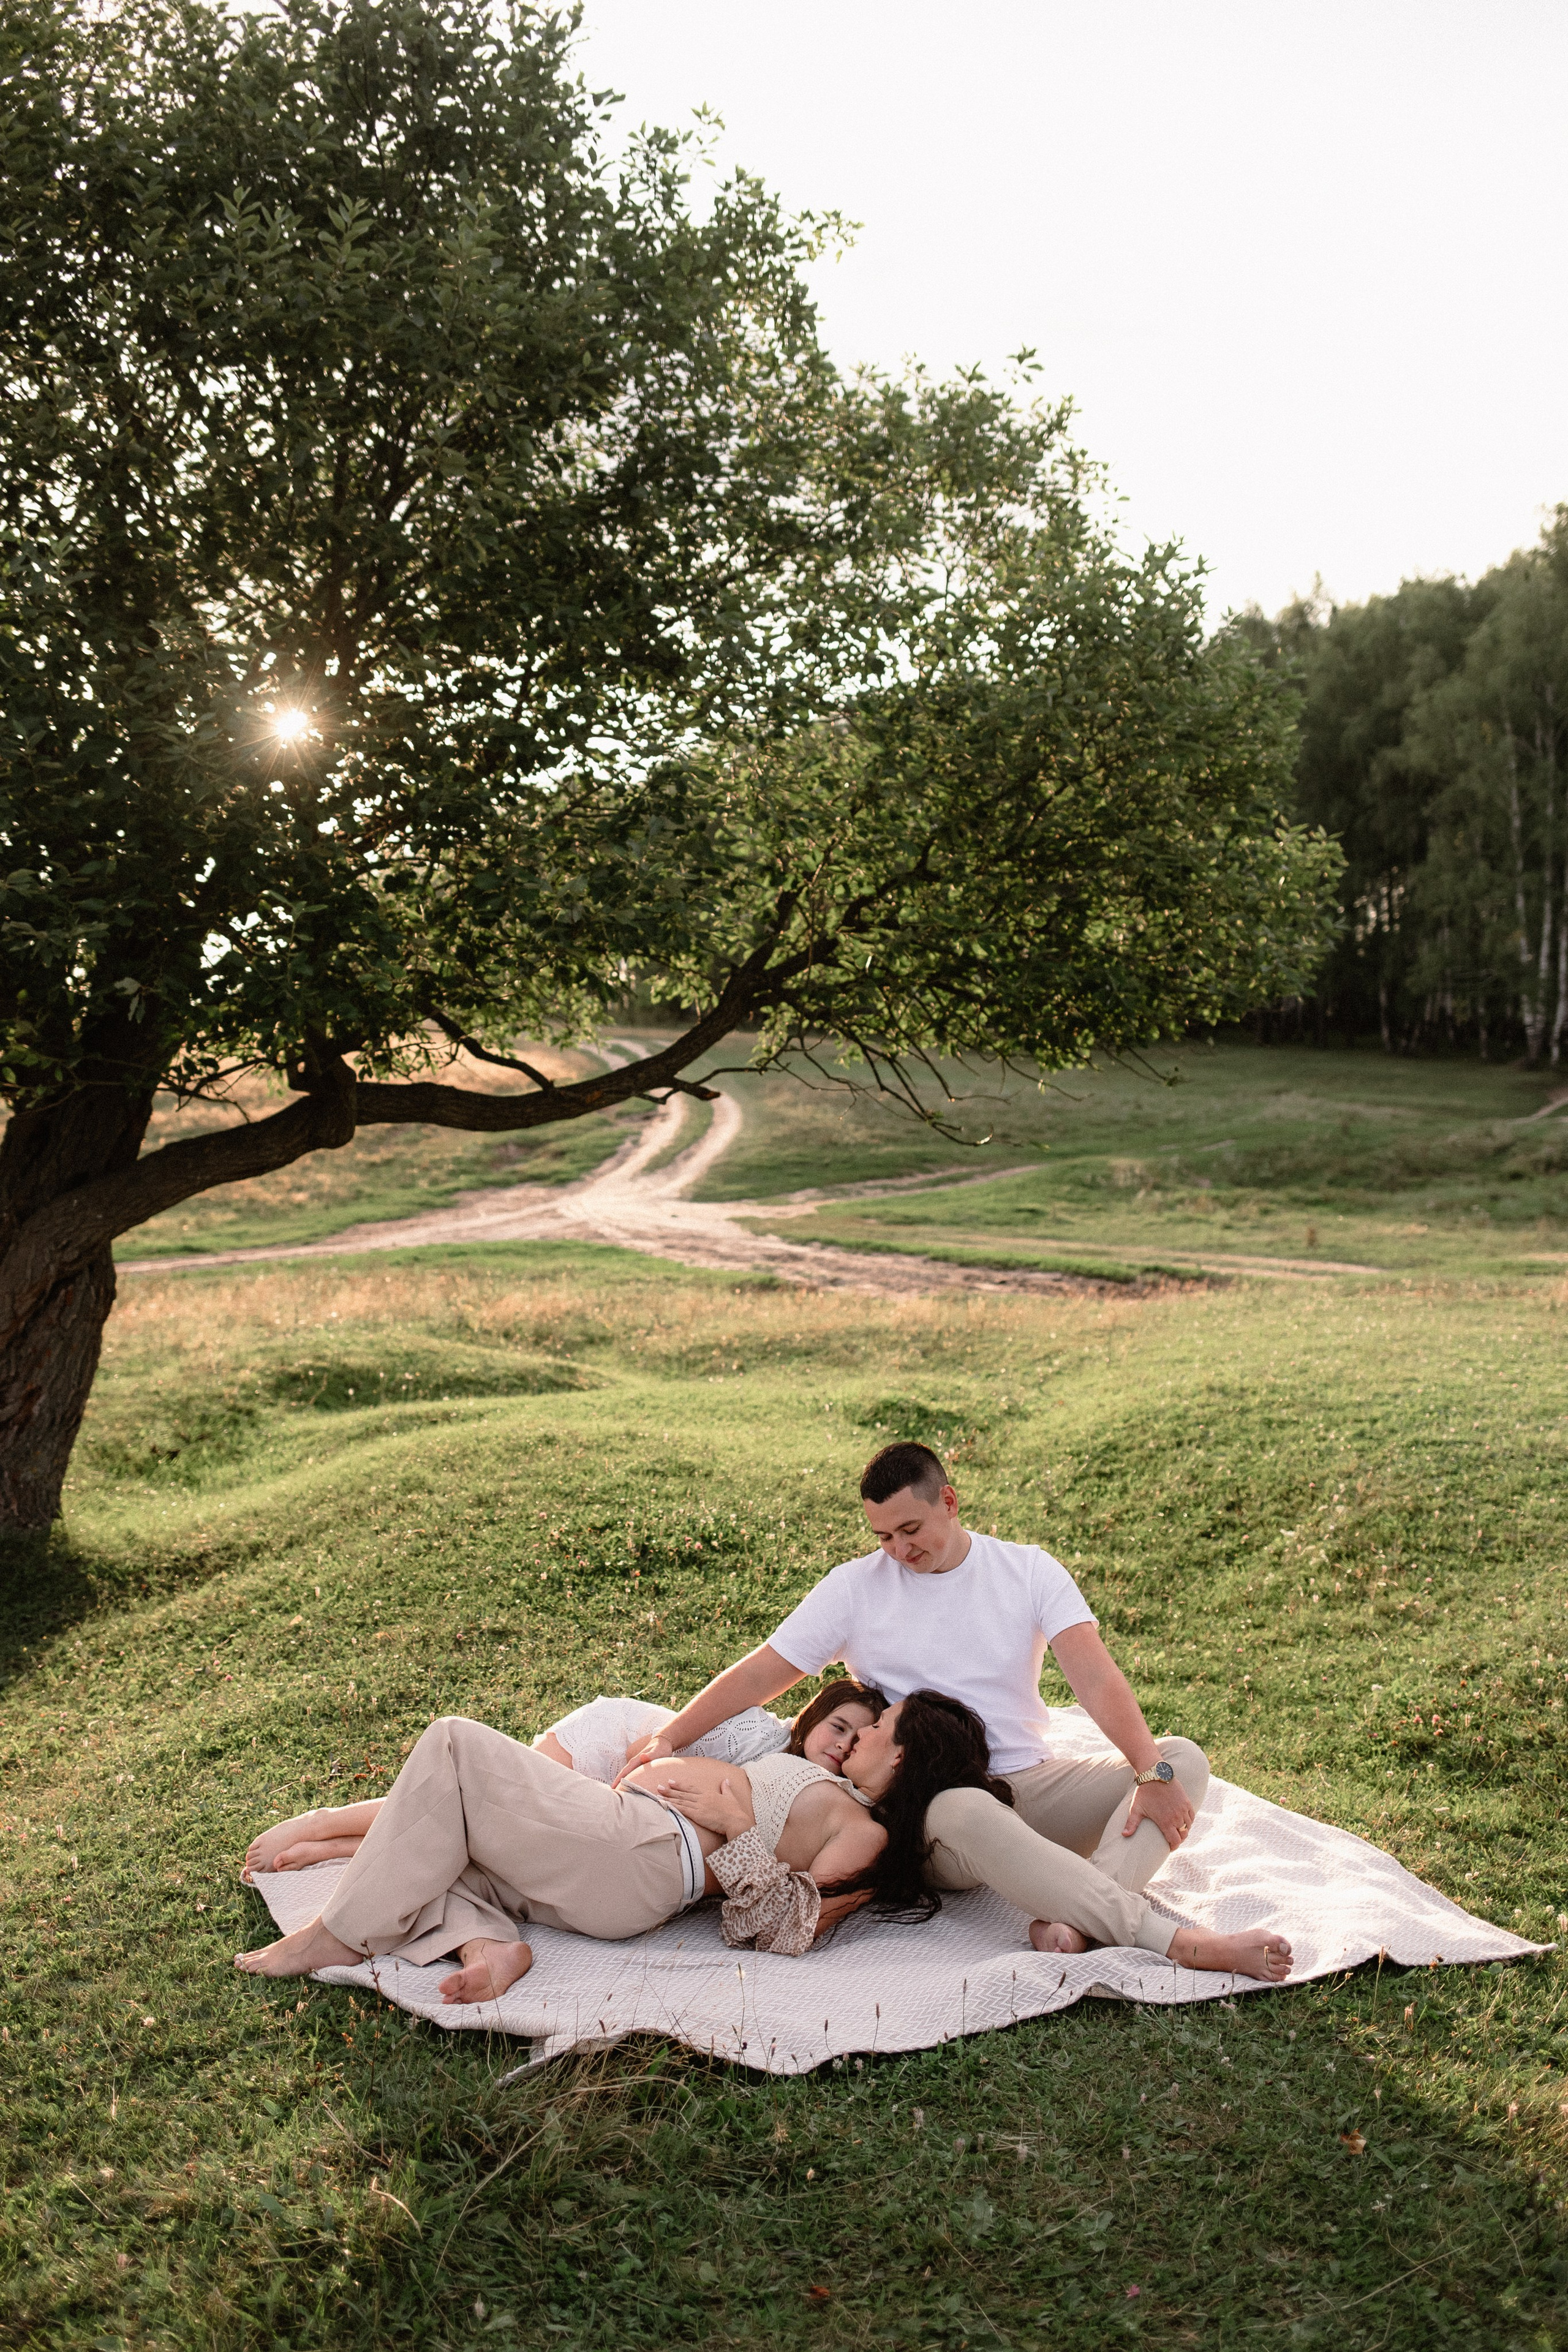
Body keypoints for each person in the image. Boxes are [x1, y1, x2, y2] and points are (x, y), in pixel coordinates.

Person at [619, 1441, 1292, 1983]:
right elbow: (768, 1668)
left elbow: (1092, 1674)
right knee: (966, 1809)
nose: (898, 1550)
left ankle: (1078, 1927)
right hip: (928, 1804)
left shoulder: (1027, 1571)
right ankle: (1180, 1945)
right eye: (882, 1536)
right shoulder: (855, 1588)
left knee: (1181, 1760)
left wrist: (1150, 1769)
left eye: (910, 1530)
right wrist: (672, 1734)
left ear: (949, 1501)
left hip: (1029, 1784)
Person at [234, 1687, 999, 2002]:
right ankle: (490, 1945)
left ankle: (335, 1936)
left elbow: (787, 1931)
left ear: (900, 1758)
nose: (861, 1730)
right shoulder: (825, 1782)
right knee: (451, 1852)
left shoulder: (863, 1831)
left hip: (642, 1854)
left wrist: (734, 1829)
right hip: (611, 1852)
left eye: (878, 1727)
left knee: (456, 1746)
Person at [531, 1679, 882, 1785]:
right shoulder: (754, 1735)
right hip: (605, 1742)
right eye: (838, 1727)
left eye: (856, 1741)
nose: (843, 1744)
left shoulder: (809, 1781)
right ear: (813, 1717)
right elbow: (639, 1751)